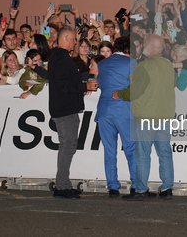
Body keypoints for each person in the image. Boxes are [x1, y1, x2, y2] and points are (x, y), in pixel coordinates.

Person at [120, 35, 176, 201]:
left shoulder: (144, 67)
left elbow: (135, 92)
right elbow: (172, 85)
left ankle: (141, 189)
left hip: (146, 116)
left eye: (144, 43)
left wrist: (119, 93)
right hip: (164, 116)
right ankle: (167, 188)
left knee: (143, 154)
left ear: (151, 46)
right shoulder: (169, 65)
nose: (143, 45)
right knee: (164, 153)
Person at [48, 26, 98, 199]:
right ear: (68, 38)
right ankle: (61, 187)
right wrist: (85, 86)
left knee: (67, 146)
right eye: (75, 40)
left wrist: (82, 82)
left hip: (64, 108)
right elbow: (64, 85)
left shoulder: (59, 57)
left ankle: (63, 184)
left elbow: (65, 82)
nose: (76, 43)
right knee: (67, 146)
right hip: (65, 110)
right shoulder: (61, 58)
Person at [95, 36, 138, 198]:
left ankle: (113, 186)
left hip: (105, 111)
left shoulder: (102, 64)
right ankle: (135, 185)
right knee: (131, 149)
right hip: (124, 111)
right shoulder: (131, 63)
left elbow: (101, 83)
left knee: (109, 150)